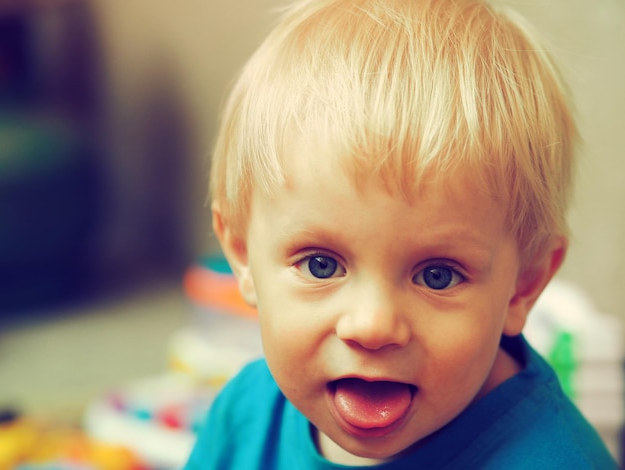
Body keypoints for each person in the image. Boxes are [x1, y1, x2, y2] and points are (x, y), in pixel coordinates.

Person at [185, 0, 618, 468]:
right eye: (320, 264)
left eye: (437, 276)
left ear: (525, 284)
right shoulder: (245, 419)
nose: (372, 326)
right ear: (243, 254)